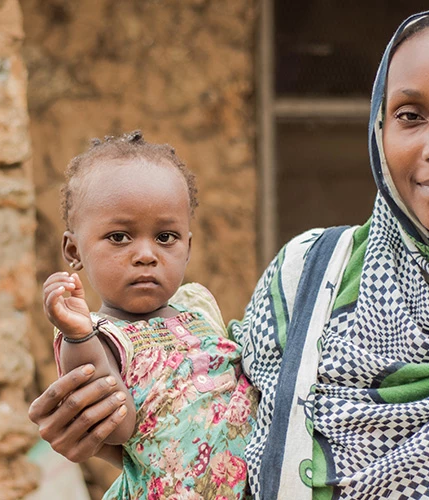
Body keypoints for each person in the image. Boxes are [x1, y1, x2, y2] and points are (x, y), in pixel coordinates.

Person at [28, 3, 429, 499]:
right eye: (411, 115)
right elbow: (222, 432)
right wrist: (106, 428)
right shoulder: (309, 275)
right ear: (379, 130)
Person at [41, 131, 257, 498]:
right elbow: (116, 429)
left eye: (165, 237)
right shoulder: (99, 336)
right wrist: (78, 334)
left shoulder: (199, 309)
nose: (146, 254)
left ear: (188, 247)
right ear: (74, 250)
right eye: (120, 237)